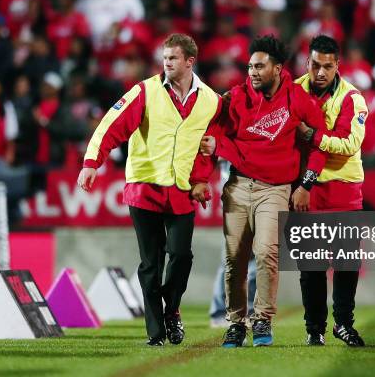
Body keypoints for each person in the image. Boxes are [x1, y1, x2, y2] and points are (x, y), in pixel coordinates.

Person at [77, 34, 221, 346]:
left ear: (189, 61)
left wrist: (201, 179)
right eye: (164, 57)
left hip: (182, 191)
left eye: (173, 58)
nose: (166, 63)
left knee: (181, 256)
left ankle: (172, 309)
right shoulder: (144, 91)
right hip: (145, 187)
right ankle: (156, 332)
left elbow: (209, 148)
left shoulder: (211, 100)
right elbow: (111, 124)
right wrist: (92, 162)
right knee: (150, 263)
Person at [200, 35, 327, 347]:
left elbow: (320, 143)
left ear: (278, 69)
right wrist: (202, 178)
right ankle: (235, 322)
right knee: (234, 259)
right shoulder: (235, 99)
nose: (252, 72)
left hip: (276, 189)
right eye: (250, 67)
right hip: (238, 184)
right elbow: (209, 140)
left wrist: (306, 184)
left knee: (267, 253)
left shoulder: (297, 99)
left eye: (259, 66)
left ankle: (262, 321)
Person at [295, 35, 368, 347]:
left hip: (343, 189)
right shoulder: (294, 90)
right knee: (310, 267)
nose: (320, 72)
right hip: (306, 190)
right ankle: (315, 329)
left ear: (338, 65)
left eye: (327, 66)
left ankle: (343, 323)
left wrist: (313, 135)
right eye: (315, 65)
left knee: (346, 263)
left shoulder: (353, 99)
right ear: (307, 63)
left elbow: (350, 145)